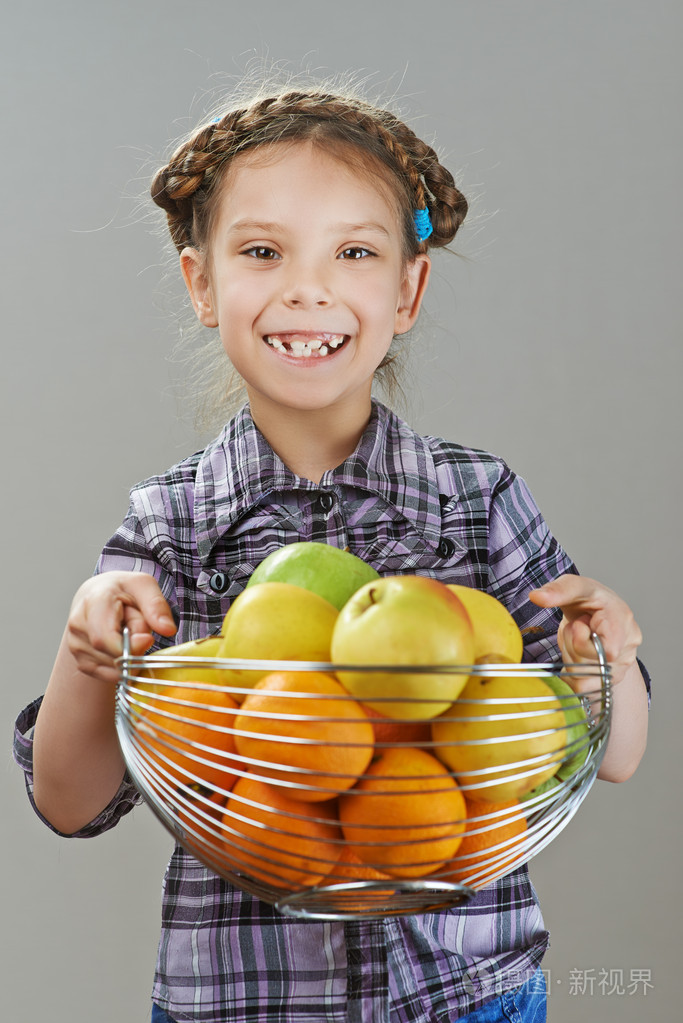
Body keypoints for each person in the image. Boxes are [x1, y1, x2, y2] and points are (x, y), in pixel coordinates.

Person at [14, 81, 649, 1023]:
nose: (307, 288)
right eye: (263, 252)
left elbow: (609, 755)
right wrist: (88, 652)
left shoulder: (477, 500)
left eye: (353, 252)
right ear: (201, 283)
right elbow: (70, 801)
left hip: (467, 994)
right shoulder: (171, 522)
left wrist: (606, 664)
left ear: (406, 291)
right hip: (243, 1002)